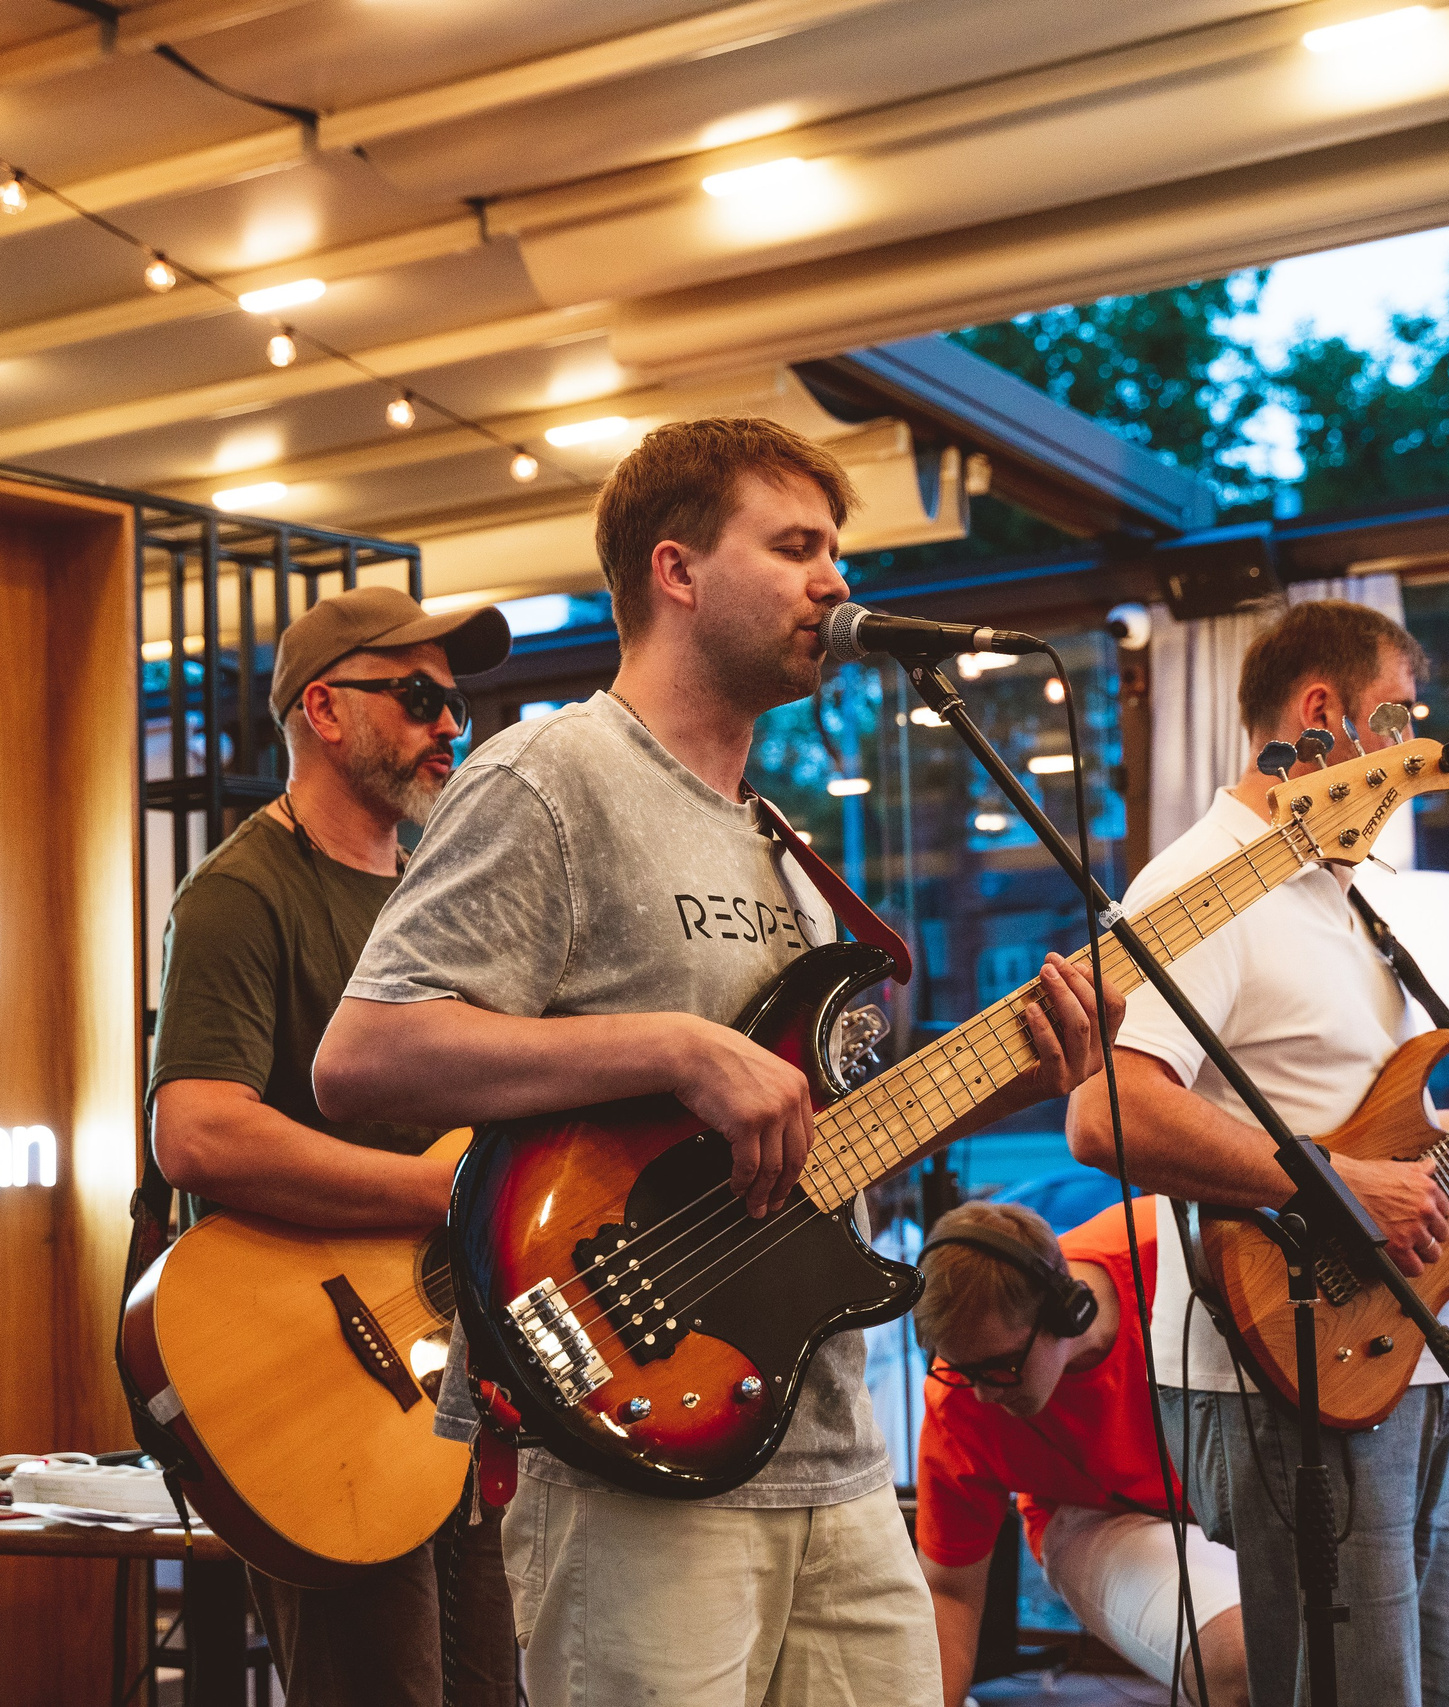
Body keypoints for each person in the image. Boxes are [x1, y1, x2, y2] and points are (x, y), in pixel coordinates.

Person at [315, 416, 1125, 1707]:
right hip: (629, 1445)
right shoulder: (551, 775)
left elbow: (809, 1145)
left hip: (832, 1450)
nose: (834, 581)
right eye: (796, 544)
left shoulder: (783, 846)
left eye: (837, 549)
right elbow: (362, 1057)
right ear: (676, 570)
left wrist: (1015, 1076)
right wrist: (676, 1047)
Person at [1066, 599, 1449, 1707]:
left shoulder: (1347, 899)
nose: (1412, 753)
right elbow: (1105, 1115)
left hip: (1398, 1352)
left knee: (1431, 1691)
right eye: (1397, 721)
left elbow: (1394, 1153)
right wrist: (1338, 1185)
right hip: (1281, 1362)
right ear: (1322, 712)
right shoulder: (1198, 886)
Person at [148, 583, 516, 1707]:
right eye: (415, 697)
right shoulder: (241, 893)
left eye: (453, 704)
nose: (448, 725)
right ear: (324, 709)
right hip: (324, 1377)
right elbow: (197, 1130)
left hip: (455, 1373)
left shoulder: (429, 897)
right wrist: (430, 1192)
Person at [910, 1199, 1449, 1707]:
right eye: (958, 1367)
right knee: (1251, 1662)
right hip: (1096, 1516)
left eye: (998, 1366)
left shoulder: (1187, 1253)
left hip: (1258, 1468)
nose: (979, 1391)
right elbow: (949, 1594)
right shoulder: (961, 1396)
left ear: (1068, 1310)